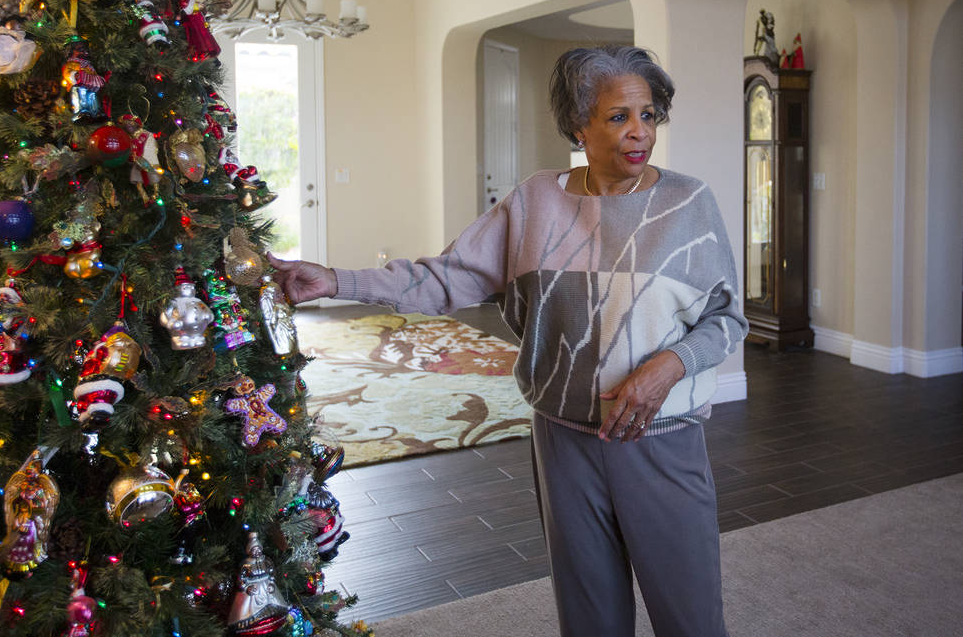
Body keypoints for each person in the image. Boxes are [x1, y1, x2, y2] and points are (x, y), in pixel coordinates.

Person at [268, 44, 747, 636]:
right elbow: (447, 277)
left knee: (690, 614)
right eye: (618, 116)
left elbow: (726, 318)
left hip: (661, 437)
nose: (638, 132)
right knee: (589, 613)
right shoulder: (534, 201)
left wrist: (671, 363)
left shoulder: (687, 203)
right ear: (579, 124)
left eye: (648, 115)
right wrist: (338, 281)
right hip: (563, 438)